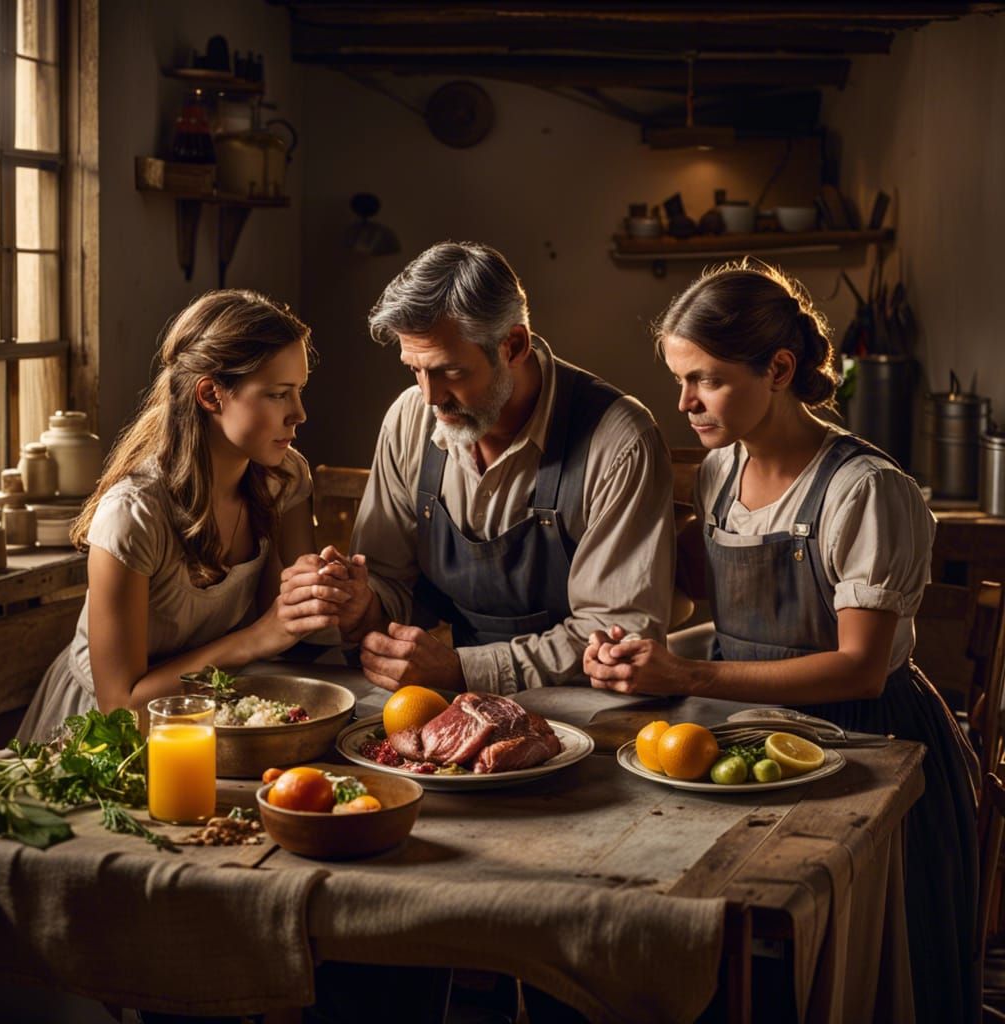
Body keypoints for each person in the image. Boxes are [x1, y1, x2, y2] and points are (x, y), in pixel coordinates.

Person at [584, 261, 979, 1024]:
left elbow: (862, 671)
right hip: (744, 746)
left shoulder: (864, 490)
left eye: (706, 379)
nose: (684, 403)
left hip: (867, 749)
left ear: (779, 369)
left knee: (859, 977)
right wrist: (629, 644)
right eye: (677, 378)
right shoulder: (721, 470)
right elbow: (705, 598)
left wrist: (689, 669)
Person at [282, 240, 674, 696]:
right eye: (415, 370)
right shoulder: (410, 419)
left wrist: (466, 671)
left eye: (451, 372)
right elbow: (392, 584)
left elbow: (617, 632)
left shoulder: (619, 440)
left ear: (513, 345)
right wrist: (360, 604)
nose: (430, 397)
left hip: (585, 698)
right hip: (451, 688)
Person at [19, 290, 332, 741]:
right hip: (106, 735)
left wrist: (325, 592)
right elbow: (121, 709)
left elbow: (284, 617)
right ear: (211, 394)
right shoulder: (132, 517)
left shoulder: (283, 478)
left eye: (299, 392)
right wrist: (258, 637)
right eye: (278, 394)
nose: (298, 414)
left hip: (214, 712)